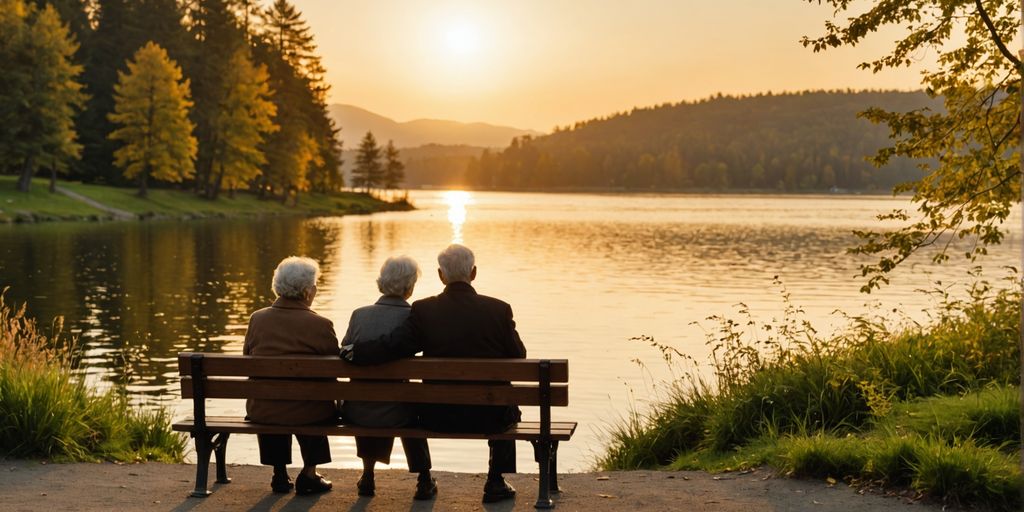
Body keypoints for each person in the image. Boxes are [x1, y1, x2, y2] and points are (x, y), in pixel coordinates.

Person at [341, 244, 526, 503]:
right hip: (490, 418)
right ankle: (495, 480)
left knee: (416, 402)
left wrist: (355, 352)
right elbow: (519, 356)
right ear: (473, 273)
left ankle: (424, 477)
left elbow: (394, 346)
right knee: (505, 400)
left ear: (441, 275)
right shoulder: (498, 310)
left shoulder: (424, 311)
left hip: (436, 416)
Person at [339, 256, 436, 500]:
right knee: (411, 401)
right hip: (399, 413)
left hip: (357, 410)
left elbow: (346, 351)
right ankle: (424, 478)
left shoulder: (359, 315)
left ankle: (368, 475)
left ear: (381, 282)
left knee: (368, 392)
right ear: (410, 287)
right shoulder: (415, 318)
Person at [243, 256, 335, 495]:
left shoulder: (257, 319)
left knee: (272, 399)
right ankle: (309, 472)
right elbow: (334, 369)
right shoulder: (321, 324)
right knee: (315, 399)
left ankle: (279, 474)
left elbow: (247, 357)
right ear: (308, 291)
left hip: (265, 410)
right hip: (310, 412)